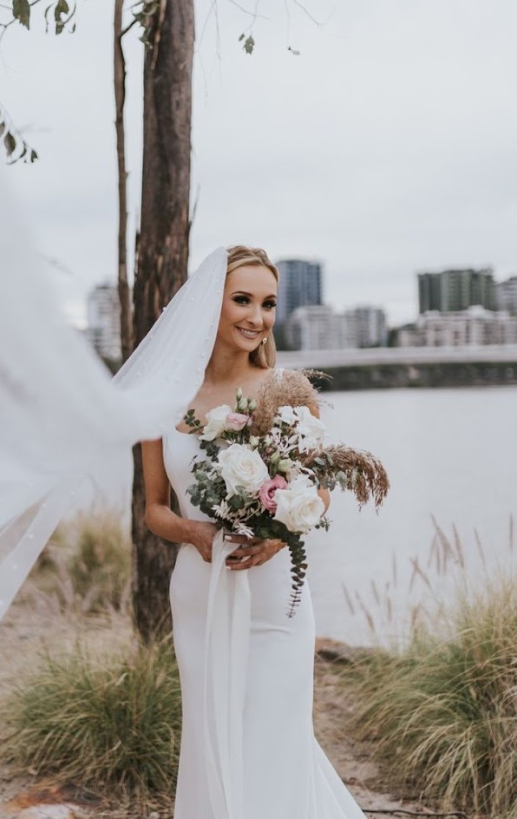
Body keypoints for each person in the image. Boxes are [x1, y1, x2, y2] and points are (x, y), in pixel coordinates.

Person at [141, 245, 366, 819]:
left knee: (273, 735)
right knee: (212, 733)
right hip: (201, 589)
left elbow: (318, 489)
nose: (256, 317)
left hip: (275, 597)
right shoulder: (162, 399)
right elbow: (155, 511)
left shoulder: (287, 389)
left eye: (268, 303)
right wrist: (195, 534)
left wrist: (280, 529)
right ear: (206, 307)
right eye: (242, 299)